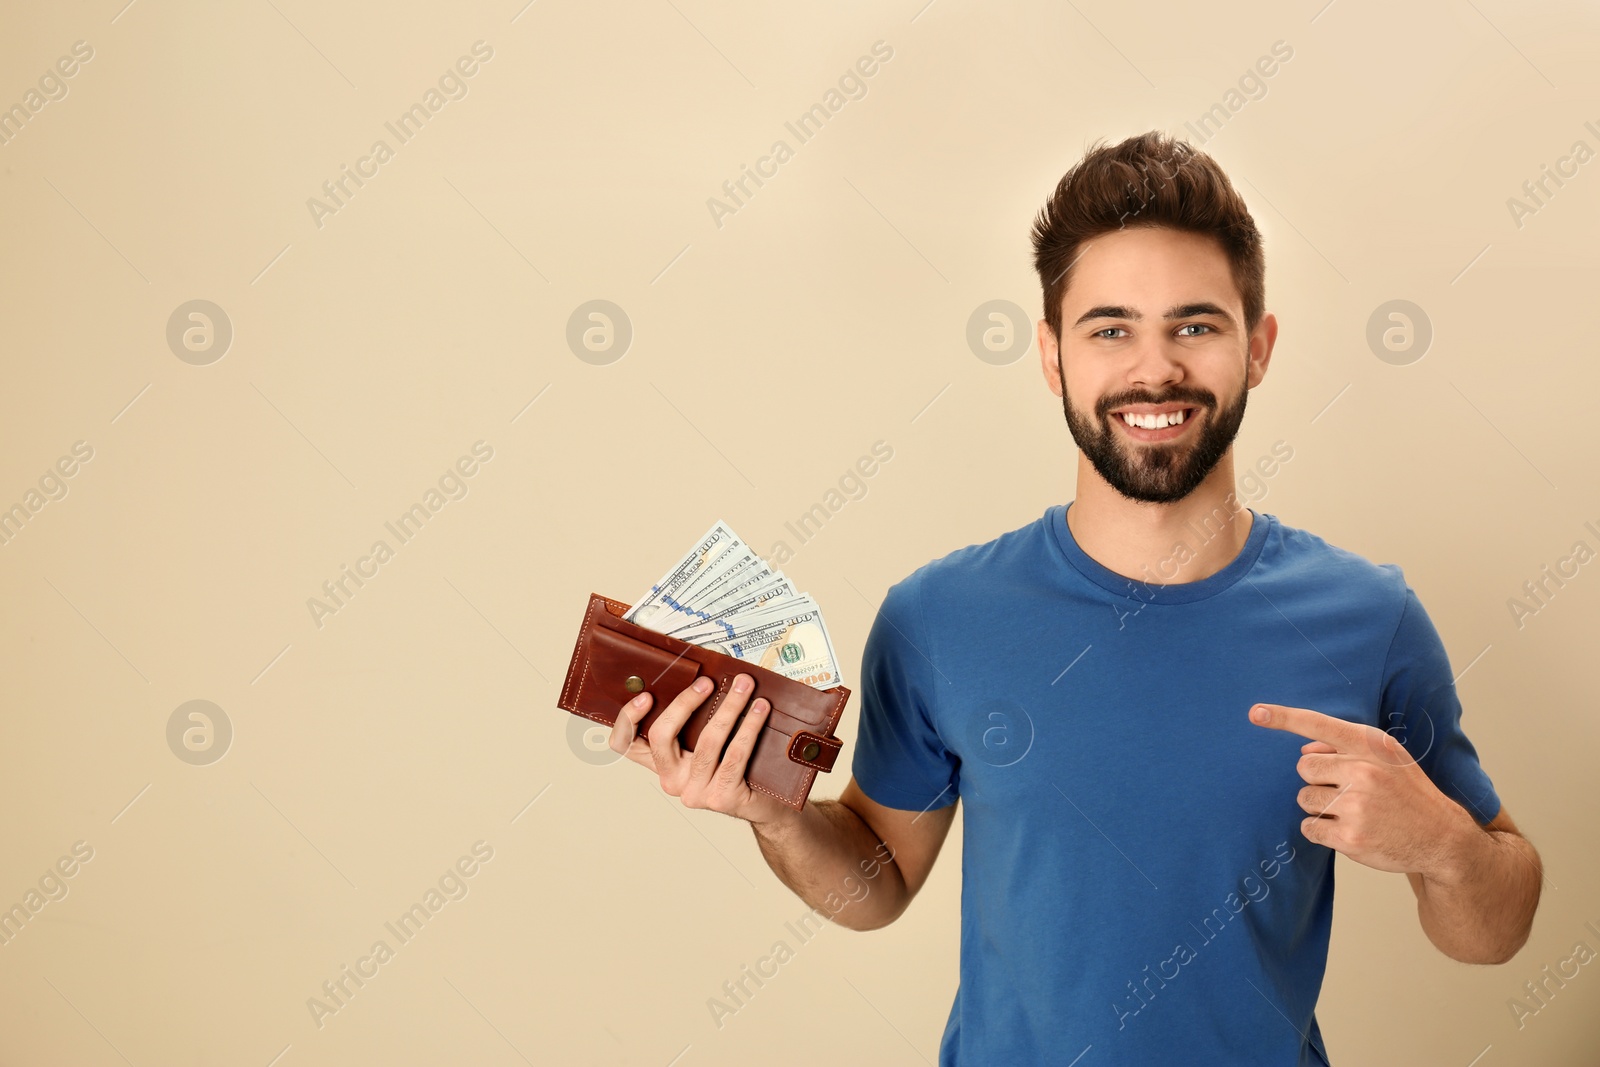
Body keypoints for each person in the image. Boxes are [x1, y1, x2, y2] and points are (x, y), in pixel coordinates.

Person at [606, 130, 1542, 1066]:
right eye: (1111, 328)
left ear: (1257, 347)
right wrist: (776, 813)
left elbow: (1494, 929)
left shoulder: (1369, 618)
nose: (1155, 368)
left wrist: (1446, 847)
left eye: (1195, 324)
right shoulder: (937, 617)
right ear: (1053, 356)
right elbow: (876, 884)